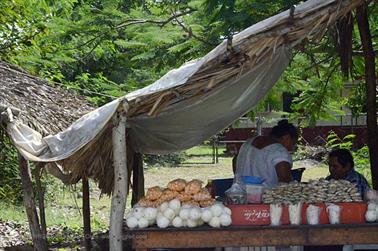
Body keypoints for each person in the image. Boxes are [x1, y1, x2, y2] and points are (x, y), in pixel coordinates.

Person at [234, 119, 298, 187]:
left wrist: (240, 178)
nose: (291, 148)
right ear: (286, 138)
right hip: (263, 196)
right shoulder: (280, 151)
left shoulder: (248, 142)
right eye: (292, 144)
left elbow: (234, 160)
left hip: (237, 193)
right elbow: (285, 181)